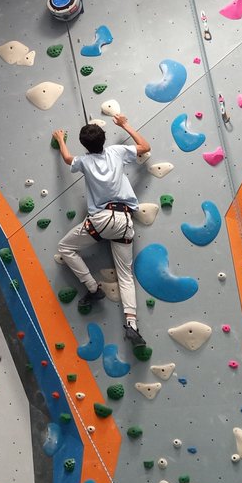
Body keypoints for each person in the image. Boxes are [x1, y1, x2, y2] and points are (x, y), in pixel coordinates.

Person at [52, 114, 150, 348]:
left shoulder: (84, 162)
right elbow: (145, 146)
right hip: (125, 220)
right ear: (104, 139)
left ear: (85, 145)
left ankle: (93, 288)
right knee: (125, 275)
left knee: (65, 247)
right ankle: (132, 325)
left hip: (102, 220)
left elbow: (67, 159)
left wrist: (61, 139)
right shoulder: (117, 151)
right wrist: (125, 124)